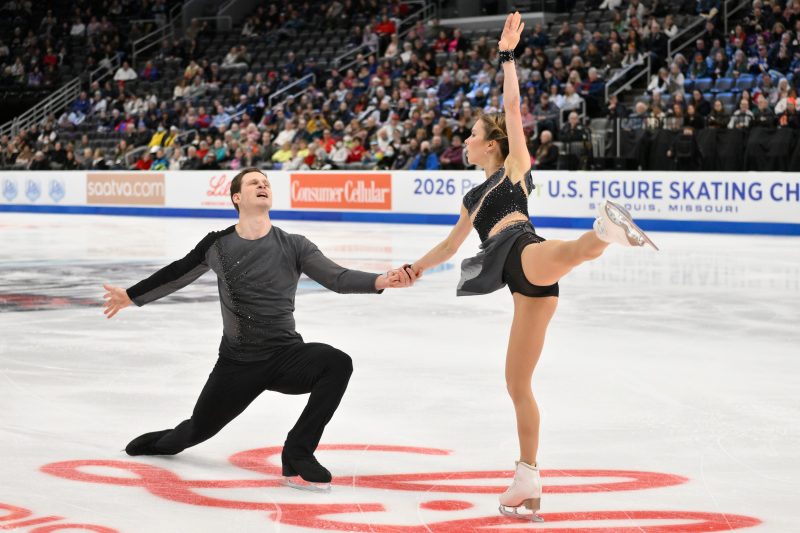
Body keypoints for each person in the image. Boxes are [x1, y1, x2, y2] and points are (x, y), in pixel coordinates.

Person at [403, 13, 658, 522]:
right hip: (521, 288)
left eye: (472, 134)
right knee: (517, 383)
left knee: (566, 253)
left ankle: (604, 232)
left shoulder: (513, 168)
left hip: (521, 249)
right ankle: (528, 477)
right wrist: (412, 269)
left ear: (491, 145)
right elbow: (450, 246)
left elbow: (512, 107)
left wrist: (507, 58)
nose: (466, 140)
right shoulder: (472, 197)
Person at [102, 168, 415, 492]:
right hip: (237, 364)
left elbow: (337, 277)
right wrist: (131, 296)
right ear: (237, 197)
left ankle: (298, 451)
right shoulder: (218, 245)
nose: (263, 184)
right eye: (254, 182)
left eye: (266, 182)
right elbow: (177, 273)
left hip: (285, 355)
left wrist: (382, 280)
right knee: (196, 431)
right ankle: (162, 442)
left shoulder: (294, 245)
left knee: (336, 363)